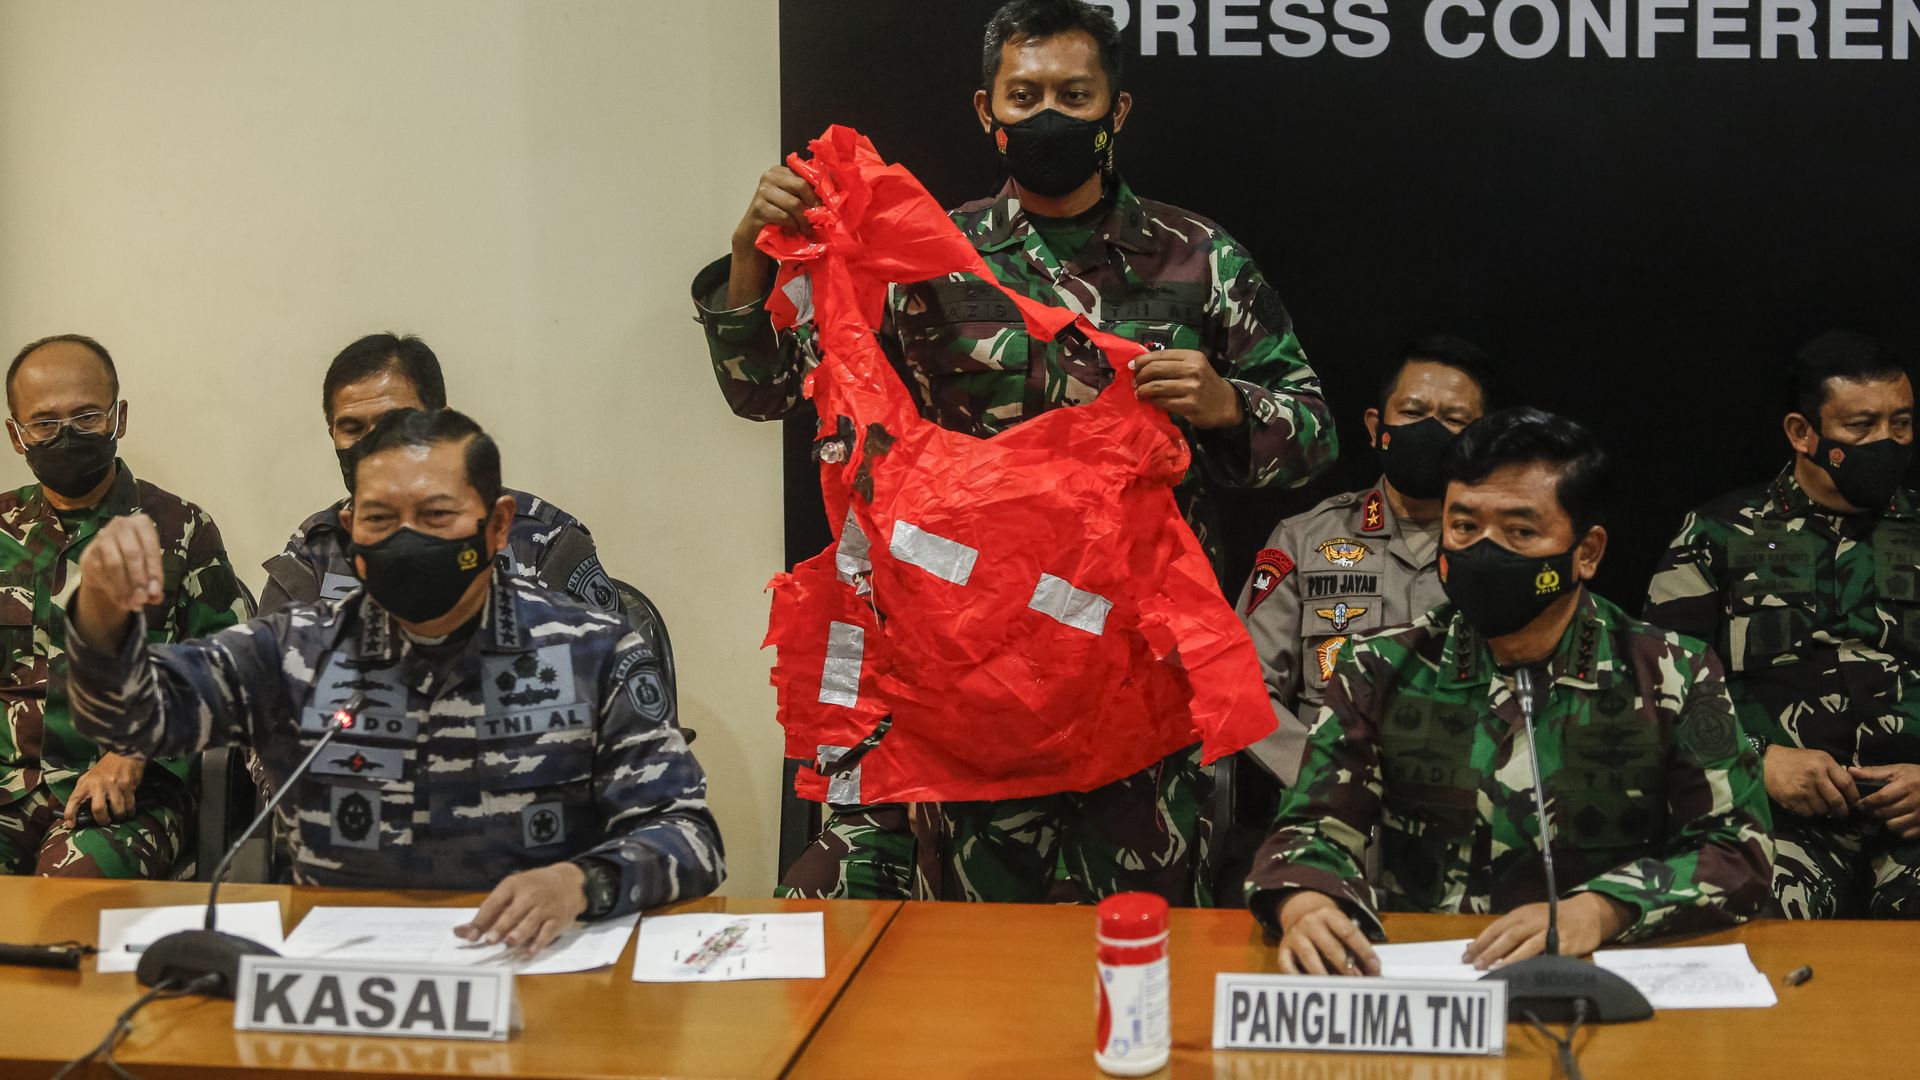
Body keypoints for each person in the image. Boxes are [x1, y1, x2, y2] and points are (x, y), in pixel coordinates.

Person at [693, 0, 1336, 904]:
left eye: (1075, 95)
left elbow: (1310, 439)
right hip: (969, 683)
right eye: (1024, 94)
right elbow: (765, 390)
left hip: (1134, 690)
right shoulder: (924, 256)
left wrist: (1228, 408)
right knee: (973, 975)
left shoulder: (1200, 261)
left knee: (1140, 956)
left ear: (1117, 112)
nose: (1049, 117)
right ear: (984, 112)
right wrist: (747, 261)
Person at [66, 409, 721, 950]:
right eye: (380, 520)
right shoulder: (294, 649)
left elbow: (688, 833)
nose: (407, 540)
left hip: (535, 967)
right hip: (346, 971)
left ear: (496, 526)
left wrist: (580, 883)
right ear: (351, 531)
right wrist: (99, 611)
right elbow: (134, 719)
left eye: (436, 517)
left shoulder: (592, 652)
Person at [1248, 408, 1773, 975]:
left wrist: (1602, 911)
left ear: (1587, 552)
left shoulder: (1672, 671)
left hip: (1602, 972)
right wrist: (1307, 903)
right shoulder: (1379, 666)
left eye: (1520, 532)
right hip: (1434, 978)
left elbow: (1736, 849)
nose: (1482, 552)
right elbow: (1310, 828)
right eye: (1465, 527)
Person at [1645, 331, 1920, 919]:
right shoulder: (1715, 534)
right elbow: (1654, 688)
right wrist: (1754, 758)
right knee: (1750, 908)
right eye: (1861, 427)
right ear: (1803, 433)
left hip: (1914, 823)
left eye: (1901, 424)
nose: (1887, 443)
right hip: (1777, 819)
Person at [0, 334, 250, 878]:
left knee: (72, 890)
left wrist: (135, 752)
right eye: (45, 423)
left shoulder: (182, 530)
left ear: (119, 417)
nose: (66, 434)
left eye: (87, 416)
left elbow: (230, 675)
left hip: (133, 790)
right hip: (8, 783)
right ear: (17, 436)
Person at [1237, 335, 1493, 784]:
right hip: (1327, 809)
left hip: (1468, 805)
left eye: (1454, 420)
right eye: (1413, 413)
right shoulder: (1303, 539)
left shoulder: (1509, 553)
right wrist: (1323, 773)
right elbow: (1240, 688)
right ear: (1376, 427)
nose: (1430, 430)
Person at [259, 333, 623, 620]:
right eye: (352, 428)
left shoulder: (542, 540)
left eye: (393, 422)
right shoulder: (316, 550)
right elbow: (268, 694)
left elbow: (607, 681)